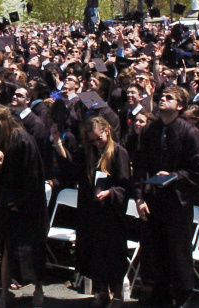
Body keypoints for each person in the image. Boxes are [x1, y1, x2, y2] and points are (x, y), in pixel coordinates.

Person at [132, 86, 199, 308]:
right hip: (153, 200)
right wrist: (139, 198)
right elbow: (139, 167)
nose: (162, 100)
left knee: (178, 251)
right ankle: (159, 294)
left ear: (180, 105)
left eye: (169, 97)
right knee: (155, 251)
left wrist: (174, 176)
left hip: (176, 201)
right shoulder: (149, 131)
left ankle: (182, 295)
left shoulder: (189, 132)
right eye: (162, 96)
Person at [52, 115, 130, 308]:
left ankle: (118, 294)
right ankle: (103, 291)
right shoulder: (88, 152)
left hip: (110, 212)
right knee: (95, 253)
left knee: (112, 254)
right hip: (91, 210)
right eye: (92, 140)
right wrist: (56, 141)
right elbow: (71, 166)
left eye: (99, 138)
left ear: (108, 132)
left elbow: (125, 183)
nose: (96, 143)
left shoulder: (118, 152)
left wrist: (110, 192)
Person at [0, 105, 47, 308]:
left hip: (27, 205)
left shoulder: (23, 140)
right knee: (8, 250)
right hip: (6, 205)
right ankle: (4, 293)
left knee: (34, 248)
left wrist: (20, 203)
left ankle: (38, 289)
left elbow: (34, 177)